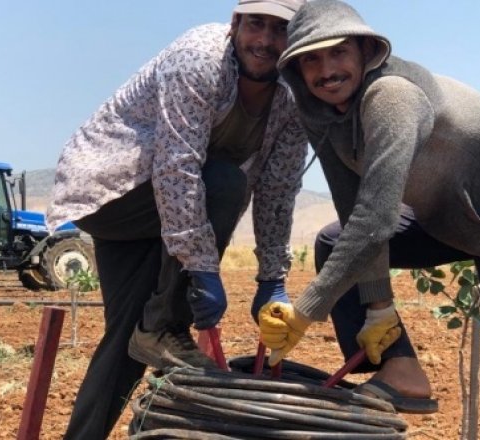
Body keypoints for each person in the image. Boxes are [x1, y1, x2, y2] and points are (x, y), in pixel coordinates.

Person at [257, 0, 480, 438]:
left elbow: (377, 220)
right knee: (333, 241)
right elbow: (354, 209)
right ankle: (402, 372)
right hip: (454, 221)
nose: (326, 70)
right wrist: (378, 309)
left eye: (338, 52)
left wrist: (304, 312)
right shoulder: (324, 112)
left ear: (365, 52)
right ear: (297, 72)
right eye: (311, 60)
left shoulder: (391, 96)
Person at [45, 0, 307, 438]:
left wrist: (271, 279)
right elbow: (176, 167)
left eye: (279, 30)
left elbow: (278, 191)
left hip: (164, 211)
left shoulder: (294, 96)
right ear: (235, 24)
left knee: (130, 341)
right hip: (113, 190)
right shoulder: (200, 57)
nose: (264, 41)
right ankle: (166, 323)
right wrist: (201, 268)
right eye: (255, 25)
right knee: (223, 183)